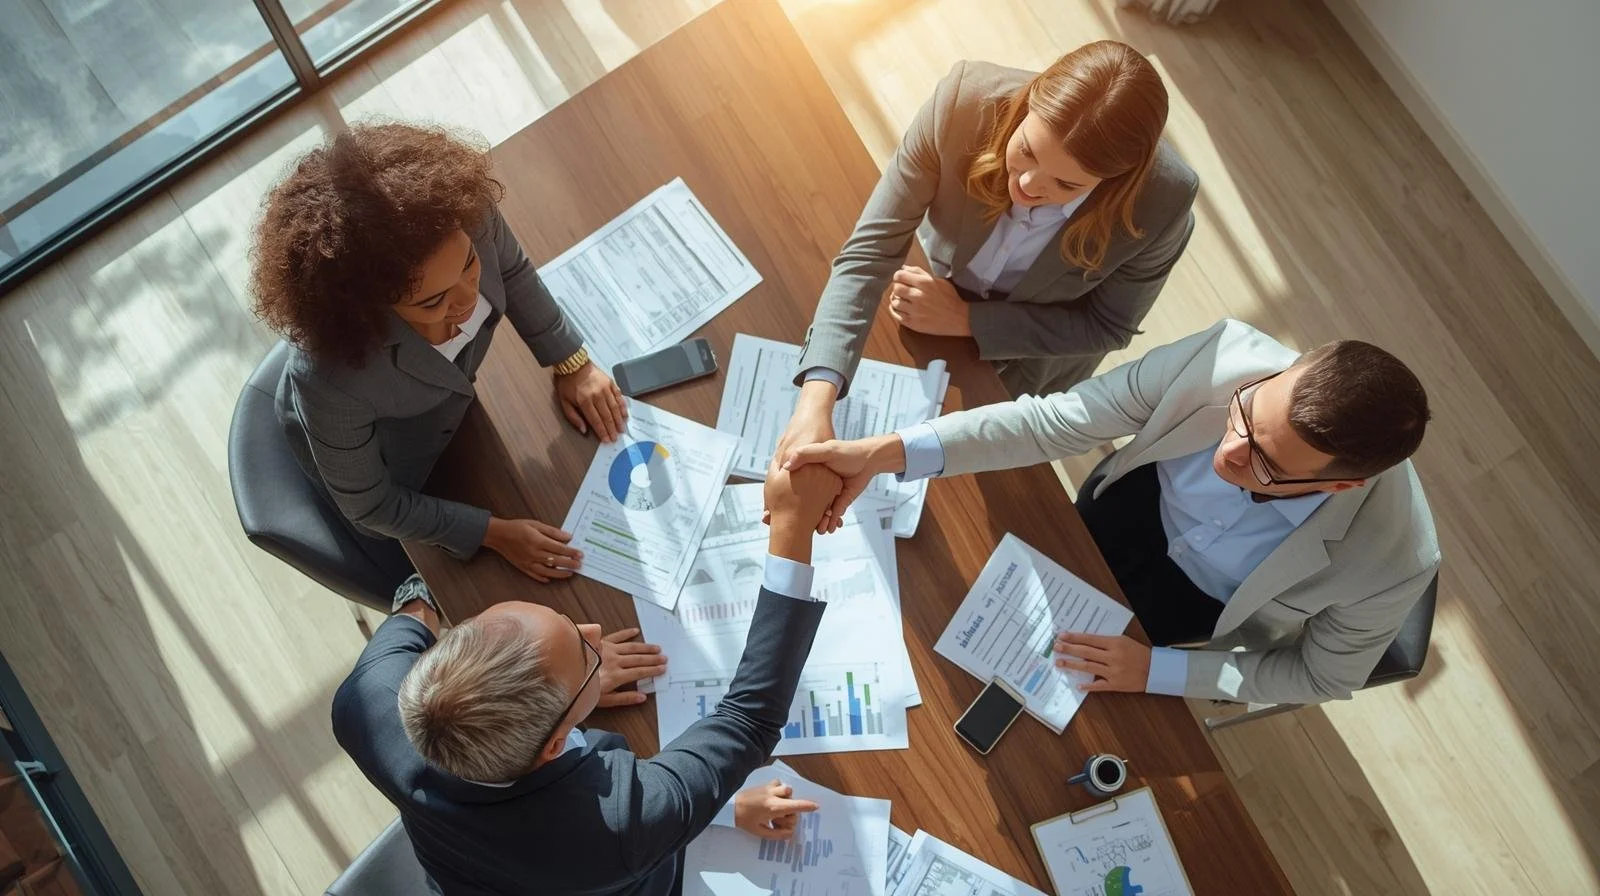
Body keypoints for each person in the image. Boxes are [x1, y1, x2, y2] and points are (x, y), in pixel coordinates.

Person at [780, 320, 1438, 706]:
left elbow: (1320, 675)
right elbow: (1055, 422)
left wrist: (1160, 671)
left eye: (1263, 463)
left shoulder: (1394, 560)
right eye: (1245, 411)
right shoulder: (1224, 358)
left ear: (1343, 487)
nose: (1228, 450)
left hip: (1193, 610)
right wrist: (887, 452)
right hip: (1120, 506)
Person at [331, 461, 842, 895]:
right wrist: (793, 527)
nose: (594, 631)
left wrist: (565, 686)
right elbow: (749, 719)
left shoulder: (367, 702)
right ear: (555, 745)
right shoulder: (618, 824)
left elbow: (414, 609)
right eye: (585, 653)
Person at [778, 42, 1199, 505]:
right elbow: (871, 250)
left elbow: (1108, 326)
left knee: (966, 497)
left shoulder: (1164, 202)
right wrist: (817, 398)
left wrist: (968, 321)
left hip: (1027, 357)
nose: (1028, 185)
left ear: (1117, 181)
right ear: (1030, 99)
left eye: (1067, 184)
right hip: (934, 287)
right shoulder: (965, 103)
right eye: (1027, 150)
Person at [250, 123, 627, 585]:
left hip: (456, 421)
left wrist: (571, 361)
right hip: (400, 474)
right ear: (368, 307)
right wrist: (492, 533)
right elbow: (373, 506)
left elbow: (511, 269)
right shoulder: (330, 382)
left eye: (469, 266)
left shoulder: (462, 215)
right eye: (433, 301)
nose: (468, 299)